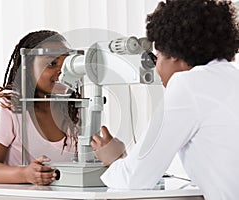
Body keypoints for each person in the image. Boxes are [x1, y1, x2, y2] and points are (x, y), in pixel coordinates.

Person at [90, 0, 239, 199]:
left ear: (174, 55)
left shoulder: (188, 84)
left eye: (157, 56)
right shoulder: (230, 77)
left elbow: (135, 180)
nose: (156, 68)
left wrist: (114, 159)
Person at [0, 30, 80, 185]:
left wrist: (110, 152)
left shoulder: (74, 108)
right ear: (27, 66)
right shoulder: (9, 105)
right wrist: (24, 174)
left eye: (66, 64)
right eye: (52, 63)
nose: (61, 71)